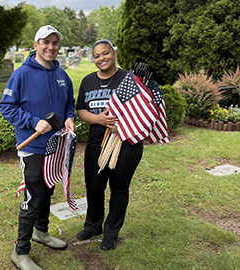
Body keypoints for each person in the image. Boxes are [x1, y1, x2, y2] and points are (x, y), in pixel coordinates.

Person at [0, 25, 76, 270]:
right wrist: (34, 122)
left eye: (55, 43)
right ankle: (20, 251)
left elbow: (69, 104)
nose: (51, 47)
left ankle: (41, 232)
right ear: (36, 45)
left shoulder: (62, 75)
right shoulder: (21, 74)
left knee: (48, 190)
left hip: (56, 146)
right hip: (32, 147)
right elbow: (6, 107)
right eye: (46, 42)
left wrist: (69, 117)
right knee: (33, 196)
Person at [75, 39, 144, 250]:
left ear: (113, 53)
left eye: (105, 53)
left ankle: (111, 232)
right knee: (94, 187)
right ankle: (93, 224)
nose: (101, 58)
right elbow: (81, 110)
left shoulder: (130, 79)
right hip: (97, 143)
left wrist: (124, 125)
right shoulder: (87, 81)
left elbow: (145, 112)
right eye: (97, 56)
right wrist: (99, 120)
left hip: (126, 144)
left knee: (119, 188)